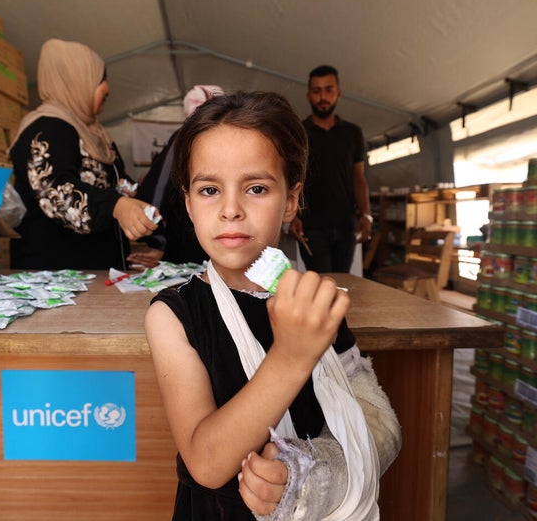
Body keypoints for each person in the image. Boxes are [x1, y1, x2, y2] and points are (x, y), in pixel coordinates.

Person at [144, 91, 400, 520]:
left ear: (291, 200)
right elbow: (206, 463)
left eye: (257, 188)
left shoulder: (314, 303)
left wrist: (312, 477)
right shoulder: (174, 315)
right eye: (209, 190)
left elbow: (377, 425)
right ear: (188, 203)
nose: (231, 210)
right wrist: (291, 356)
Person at [8, 39, 158, 270]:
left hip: (96, 269)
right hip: (57, 274)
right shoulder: (47, 128)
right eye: (100, 78)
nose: (107, 88)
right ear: (76, 78)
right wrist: (116, 205)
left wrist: (142, 206)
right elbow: (55, 192)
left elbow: (118, 182)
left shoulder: (95, 134)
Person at [288, 65, 373, 273]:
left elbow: (358, 178)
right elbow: (289, 177)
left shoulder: (353, 133)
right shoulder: (299, 132)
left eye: (328, 90)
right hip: (311, 227)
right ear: (309, 95)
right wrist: (292, 216)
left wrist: (366, 215)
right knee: (321, 283)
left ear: (338, 93)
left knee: (343, 282)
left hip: (346, 226)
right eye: (317, 91)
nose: (322, 97)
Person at [128, 85, 224, 268]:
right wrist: (159, 241)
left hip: (208, 239)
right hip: (189, 242)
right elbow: (159, 190)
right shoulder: (183, 140)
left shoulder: (225, 141)